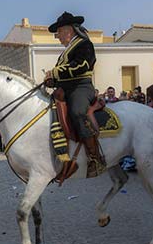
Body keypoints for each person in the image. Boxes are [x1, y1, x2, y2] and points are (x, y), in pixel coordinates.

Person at [41, 11, 106, 177]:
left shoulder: (84, 44)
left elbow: (82, 65)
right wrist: (51, 80)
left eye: (59, 33)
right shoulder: (66, 51)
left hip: (81, 87)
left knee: (77, 112)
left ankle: (95, 158)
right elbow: (62, 74)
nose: (58, 37)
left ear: (69, 30)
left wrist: (55, 74)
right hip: (66, 89)